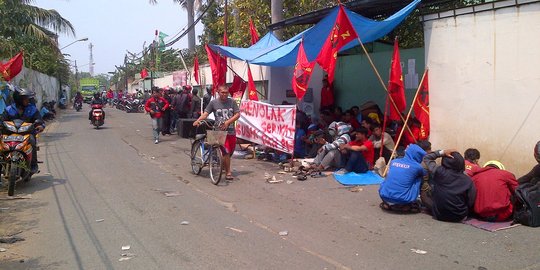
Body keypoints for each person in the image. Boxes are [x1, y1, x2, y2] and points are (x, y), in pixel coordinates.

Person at [193, 85, 240, 181]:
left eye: (226, 92)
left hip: (231, 131)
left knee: (230, 152)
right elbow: (206, 113)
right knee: (226, 152)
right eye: (222, 92)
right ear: (218, 92)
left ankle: (223, 165)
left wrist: (227, 122)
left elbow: (237, 114)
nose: (224, 94)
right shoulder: (213, 103)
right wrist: (198, 120)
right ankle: (228, 173)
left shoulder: (232, 102)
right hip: (219, 132)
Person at [424, 150, 476, 222]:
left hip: (439, 215)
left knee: (427, 184)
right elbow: (471, 201)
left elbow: (426, 158)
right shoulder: (467, 180)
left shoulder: (439, 172)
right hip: (459, 216)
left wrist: (442, 152)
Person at [2, 87, 45, 173]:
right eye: (25, 99)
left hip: (27, 133)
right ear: (19, 99)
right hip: (10, 134)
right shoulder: (9, 109)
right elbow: (2, 120)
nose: (28, 101)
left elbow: (39, 120)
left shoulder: (32, 109)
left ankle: (33, 164)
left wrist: (40, 125)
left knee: (32, 141)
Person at [378, 143, 426, 213]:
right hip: (404, 199)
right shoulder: (417, 167)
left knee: (391, 177)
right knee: (419, 177)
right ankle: (406, 204)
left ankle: (388, 203)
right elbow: (426, 174)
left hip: (384, 195)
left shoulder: (394, 161)